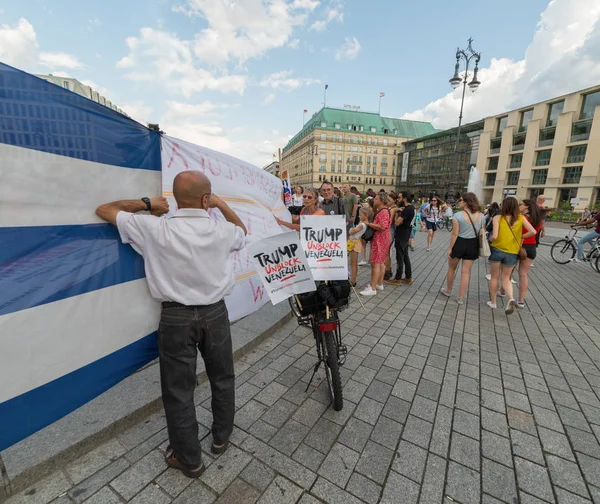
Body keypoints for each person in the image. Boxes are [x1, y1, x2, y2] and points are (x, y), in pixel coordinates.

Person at [95, 171, 247, 478]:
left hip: (176, 317)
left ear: (176, 198)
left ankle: (190, 460)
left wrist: (147, 203)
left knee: (179, 390)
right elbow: (243, 231)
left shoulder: (154, 227)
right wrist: (218, 205)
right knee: (222, 378)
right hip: (215, 314)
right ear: (205, 199)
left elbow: (105, 210)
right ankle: (221, 438)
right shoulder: (221, 231)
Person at [487, 196, 536, 315]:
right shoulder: (520, 218)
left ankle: (493, 302)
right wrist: (521, 237)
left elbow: (494, 235)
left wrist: (489, 240)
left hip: (497, 249)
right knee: (506, 277)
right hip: (512, 252)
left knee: (494, 276)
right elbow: (533, 232)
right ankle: (511, 298)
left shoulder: (498, 217)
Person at [440, 192, 484, 304]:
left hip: (459, 243)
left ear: (466, 202)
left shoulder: (458, 215)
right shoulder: (481, 216)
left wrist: (450, 248)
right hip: (473, 244)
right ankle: (460, 297)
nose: (459, 202)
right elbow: (482, 233)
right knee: (466, 272)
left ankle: (448, 290)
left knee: (452, 268)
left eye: (460, 200)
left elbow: (454, 234)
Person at [360, 193, 391, 296]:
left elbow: (382, 226)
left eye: (376, 199)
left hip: (379, 240)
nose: (374, 200)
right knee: (381, 262)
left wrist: (369, 224)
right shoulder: (383, 211)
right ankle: (379, 283)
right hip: (383, 239)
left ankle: (372, 288)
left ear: (381, 200)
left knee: (375, 264)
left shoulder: (383, 212)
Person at [517, 199, 543, 308]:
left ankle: (503, 291)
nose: (518, 206)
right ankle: (521, 300)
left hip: (520, 246)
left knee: (509, 271)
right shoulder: (538, 219)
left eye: (520, 204)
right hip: (532, 247)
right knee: (523, 274)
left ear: (527, 207)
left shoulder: (522, 218)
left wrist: (522, 236)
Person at [387, 191, 415, 286]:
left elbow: (397, 223)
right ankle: (408, 276)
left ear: (404, 198)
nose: (398, 200)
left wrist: (396, 214)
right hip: (405, 235)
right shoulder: (411, 208)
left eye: (399, 198)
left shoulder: (407, 209)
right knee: (405, 256)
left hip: (401, 235)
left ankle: (397, 278)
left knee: (400, 257)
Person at [349, 206, 372, 286]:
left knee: (353, 263)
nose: (358, 216)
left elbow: (352, 232)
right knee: (353, 262)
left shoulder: (362, 224)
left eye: (360, 214)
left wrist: (351, 230)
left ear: (365, 215)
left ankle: (353, 281)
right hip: (355, 241)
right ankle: (352, 279)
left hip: (354, 242)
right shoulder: (363, 223)